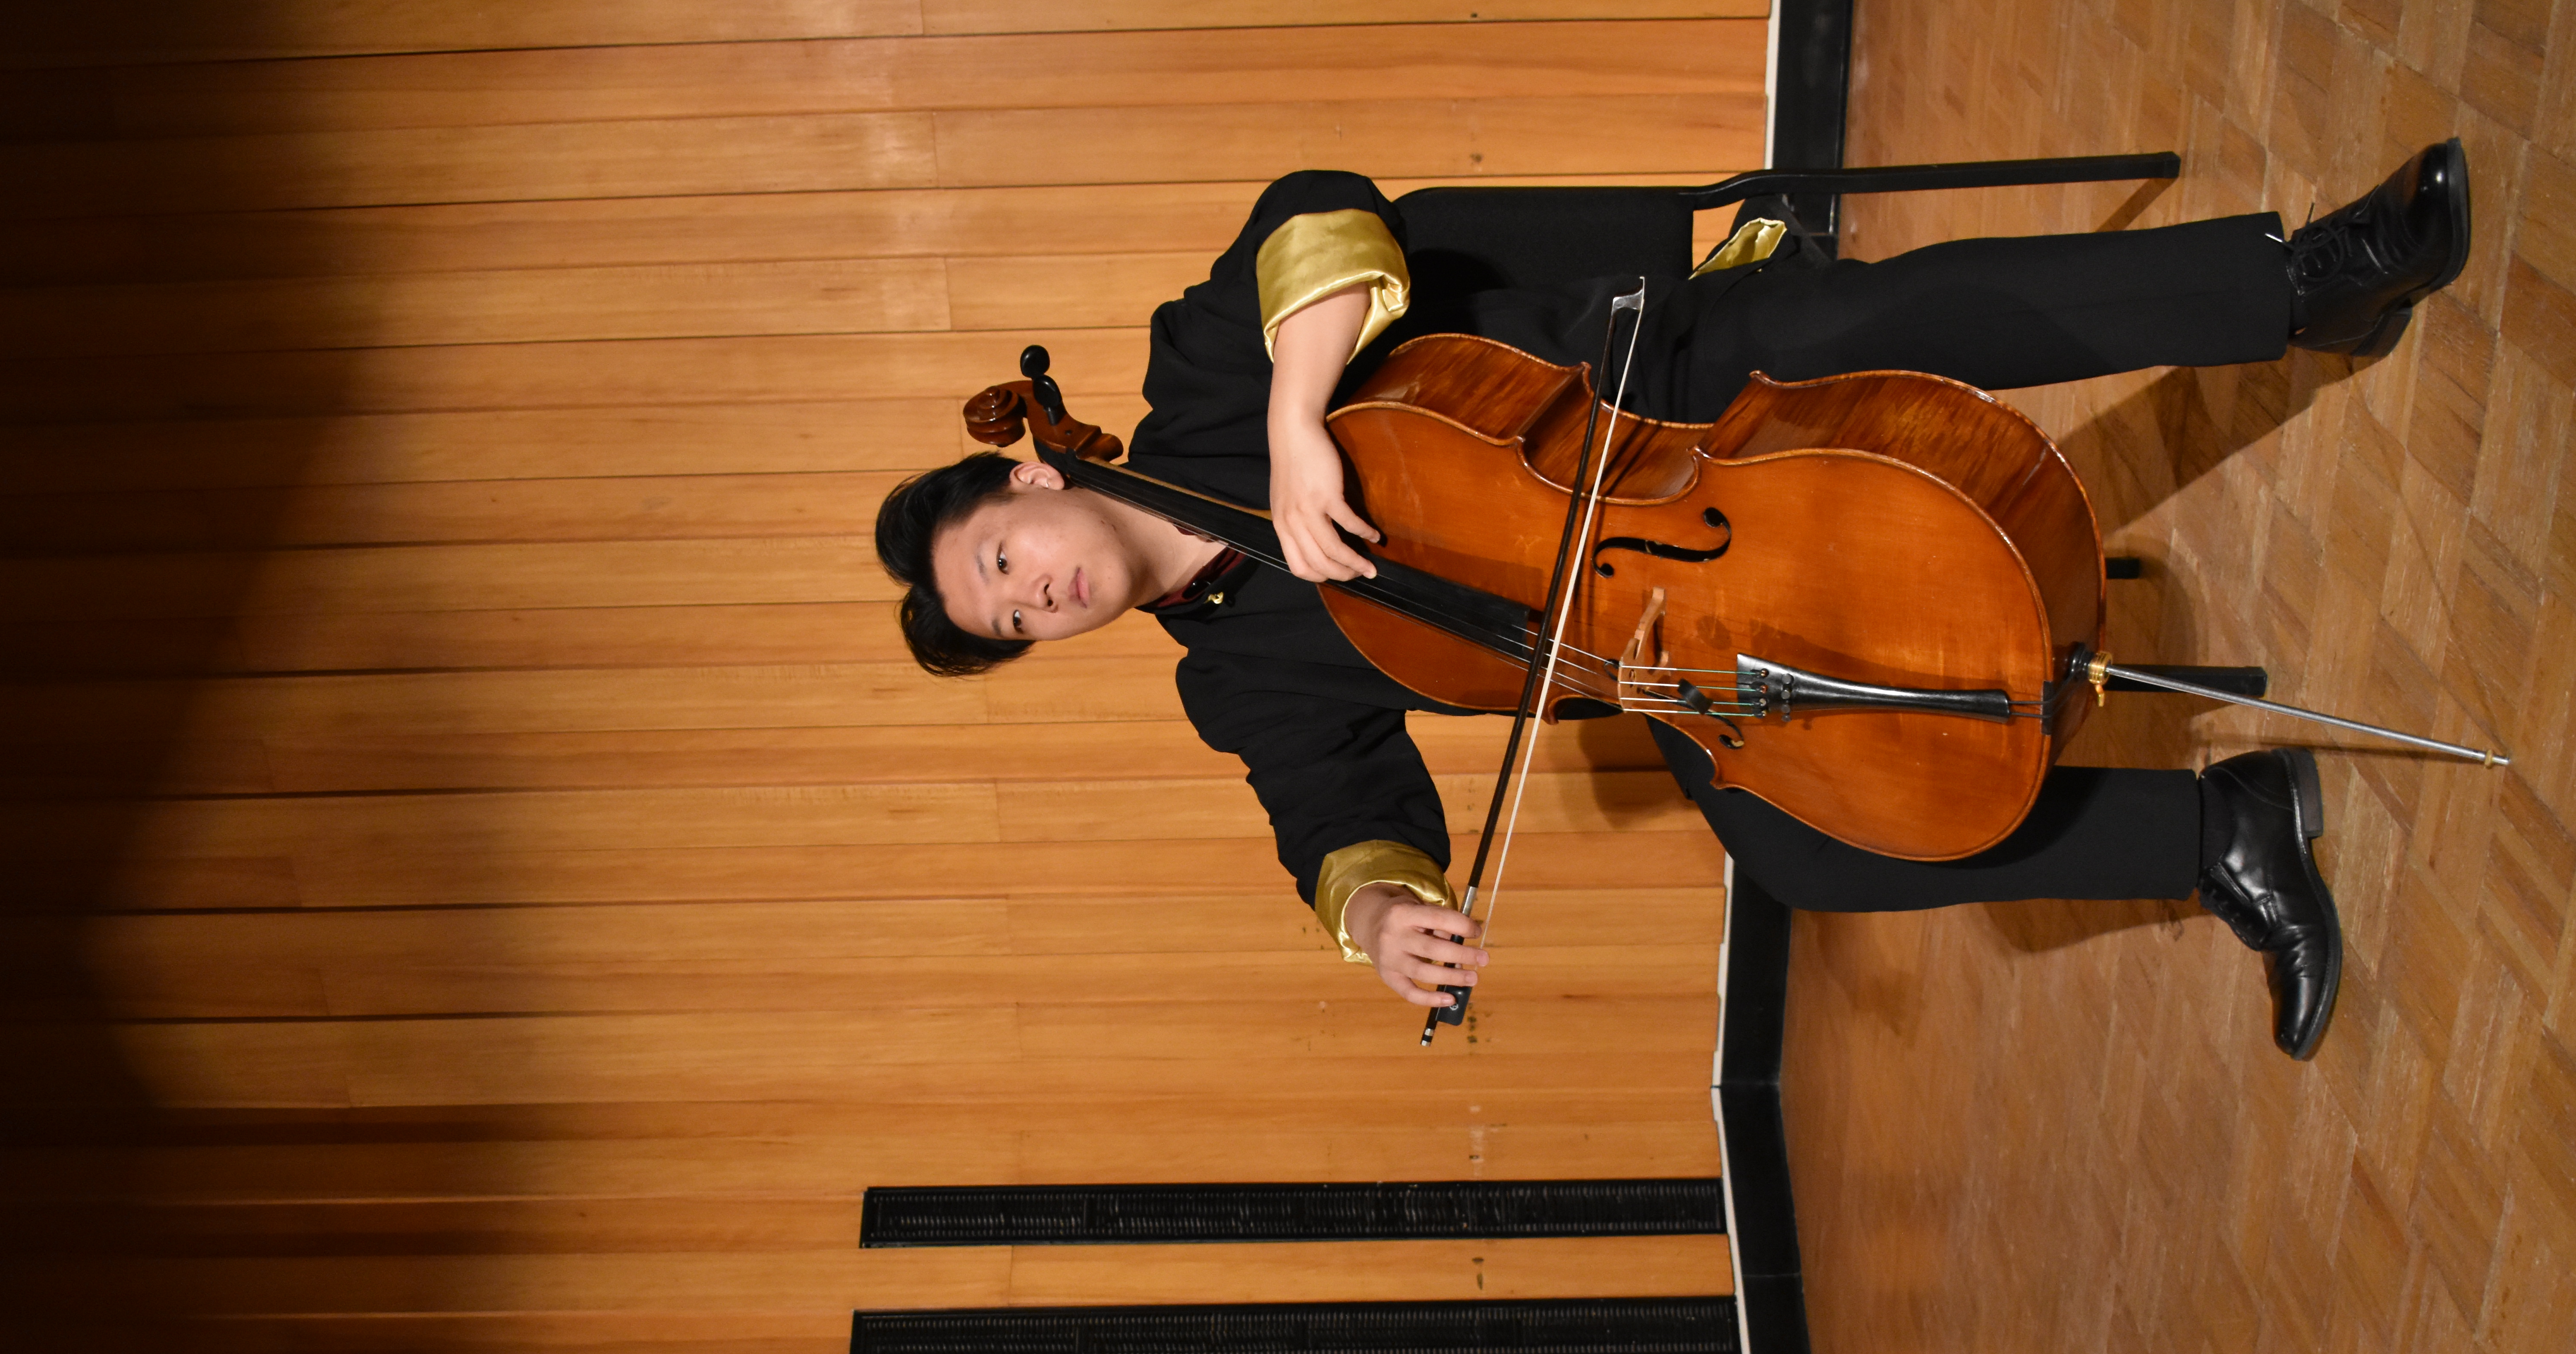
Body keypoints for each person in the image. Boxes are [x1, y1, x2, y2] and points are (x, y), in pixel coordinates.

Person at [875, 144, 2473, 1061]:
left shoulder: (1197, 376)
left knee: (1904, 323)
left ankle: (2307, 283)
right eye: (1015, 625)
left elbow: (1319, 219)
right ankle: (2225, 835)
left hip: (1653, 384)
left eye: (1007, 566)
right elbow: (1338, 818)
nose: (1045, 596)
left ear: (1030, 488)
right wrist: (1379, 924)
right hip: (1656, 643)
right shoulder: (1235, 681)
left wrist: (1301, 422)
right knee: (1810, 841)